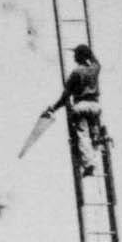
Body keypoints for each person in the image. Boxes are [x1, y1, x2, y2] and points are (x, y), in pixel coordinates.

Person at [42, 43, 103, 177]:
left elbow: (65, 97)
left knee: (83, 136)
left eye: (76, 54)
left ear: (79, 57)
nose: (74, 57)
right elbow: (96, 60)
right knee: (94, 136)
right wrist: (88, 52)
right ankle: (97, 154)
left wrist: (53, 109)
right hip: (95, 107)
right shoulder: (95, 68)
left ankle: (89, 165)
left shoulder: (76, 73)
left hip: (81, 106)